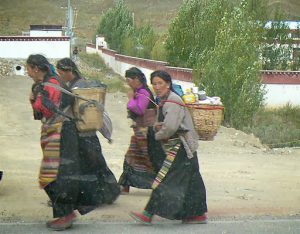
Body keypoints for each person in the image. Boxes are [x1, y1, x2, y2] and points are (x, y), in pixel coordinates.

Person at [129, 70, 208, 224]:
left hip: (180, 147)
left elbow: (171, 127)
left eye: (160, 83)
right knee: (193, 181)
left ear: (168, 84)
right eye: (154, 84)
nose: (157, 87)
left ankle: (147, 214)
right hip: (187, 148)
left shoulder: (172, 102)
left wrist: (157, 134)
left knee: (165, 179)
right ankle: (197, 215)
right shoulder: (165, 101)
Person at [27, 54, 82, 231]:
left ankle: (66, 215)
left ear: (36, 68)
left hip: (62, 134)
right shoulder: (48, 83)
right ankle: (66, 213)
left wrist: (35, 98)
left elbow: (47, 111)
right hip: (57, 133)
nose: (27, 72)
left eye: (28, 68)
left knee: (55, 175)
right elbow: (40, 115)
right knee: (53, 174)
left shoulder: (50, 84)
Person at [56, 58, 120, 206]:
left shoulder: (79, 87)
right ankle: (107, 194)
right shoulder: (75, 84)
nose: (60, 76)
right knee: (93, 165)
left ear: (69, 71)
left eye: (61, 73)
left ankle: (99, 196)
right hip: (85, 134)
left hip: (84, 133)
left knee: (90, 166)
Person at [118, 67, 160, 193]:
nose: (128, 83)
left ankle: (157, 185)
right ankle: (125, 184)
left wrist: (131, 99)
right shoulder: (140, 91)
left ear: (137, 79)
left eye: (129, 80)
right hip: (141, 132)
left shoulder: (143, 93)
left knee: (143, 159)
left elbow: (140, 109)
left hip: (146, 132)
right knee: (133, 157)